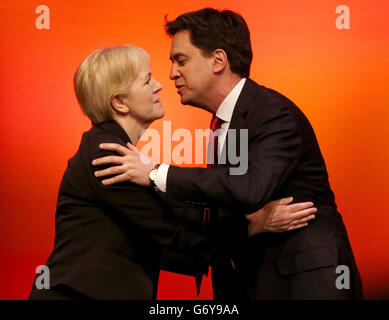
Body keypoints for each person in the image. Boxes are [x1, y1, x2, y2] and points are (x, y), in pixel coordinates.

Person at [93, 8, 363, 299]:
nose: (172, 73)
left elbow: (250, 188)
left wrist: (156, 172)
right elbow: (224, 204)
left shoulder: (273, 112)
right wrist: (252, 225)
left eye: (181, 60)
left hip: (307, 282)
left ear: (218, 60)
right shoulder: (222, 123)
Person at [28, 44, 316, 300]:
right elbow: (172, 231)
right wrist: (253, 225)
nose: (159, 85)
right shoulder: (108, 154)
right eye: (146, 80)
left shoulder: (117, 151)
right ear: (120, 102)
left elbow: (161, 225)